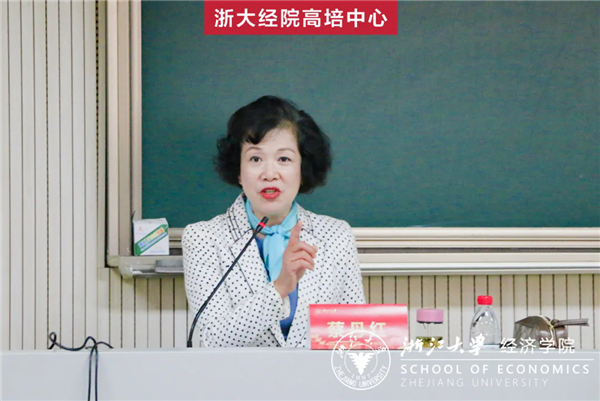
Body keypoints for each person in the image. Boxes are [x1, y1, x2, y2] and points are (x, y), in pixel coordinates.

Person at [182, 96, 365, 347]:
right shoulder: (204, 238)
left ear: (303, 168)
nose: (269, 174)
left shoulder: (336, 235)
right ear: (238, 170)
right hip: (239, 374)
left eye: (284, 159)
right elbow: (212, 339)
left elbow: (355, 337)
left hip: (318, 374)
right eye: (255, 159)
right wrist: (279, 288)